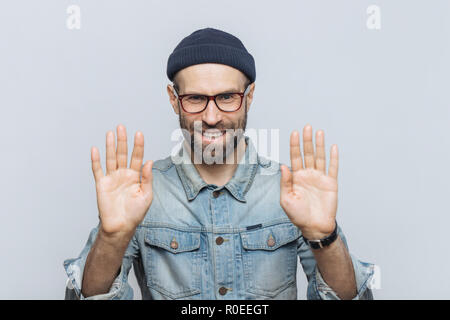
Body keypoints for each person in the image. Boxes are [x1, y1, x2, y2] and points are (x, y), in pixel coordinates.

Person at [64, 27, 375, 300]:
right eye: (196, 99)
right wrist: (111, 238)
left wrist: (326, 236)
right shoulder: (140, 193)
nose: (211, 118)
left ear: (249, 96)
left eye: (227, 97)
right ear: (175, 100)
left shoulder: (293, 191)